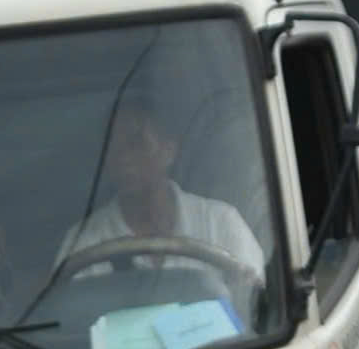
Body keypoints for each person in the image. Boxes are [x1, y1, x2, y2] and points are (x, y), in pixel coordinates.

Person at [54, 90, 267, 286]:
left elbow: (257, 306)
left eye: (136, 143)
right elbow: (72, 319)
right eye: (112, 148)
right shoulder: (83, 243)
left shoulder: (220, 222)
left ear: (169, 150)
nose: (123, 157)